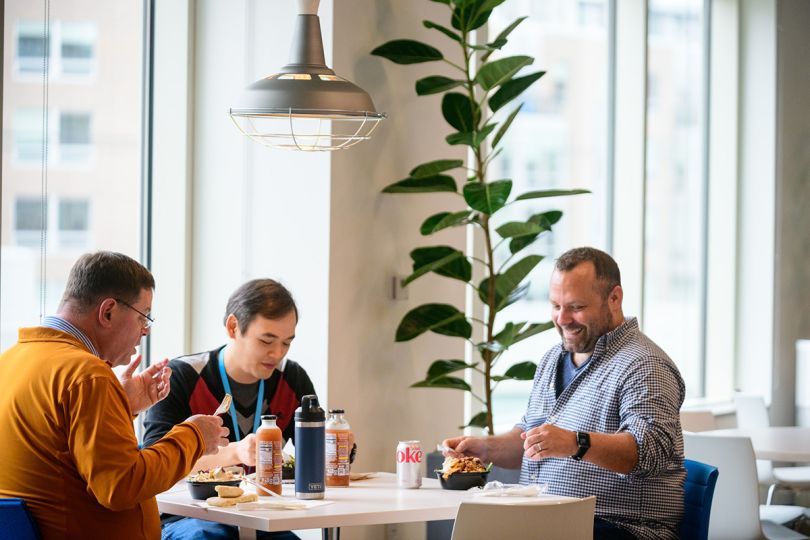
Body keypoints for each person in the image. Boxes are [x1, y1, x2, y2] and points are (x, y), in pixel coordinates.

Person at [442, 247, 686, 540]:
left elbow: (649, 454)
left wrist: (576, 442)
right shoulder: (552, 359)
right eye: (556, 306)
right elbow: (531, 439)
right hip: (546, 521)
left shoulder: (645, 365)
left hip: (621, 527)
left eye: (576, 307)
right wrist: (486, 448)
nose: (562, 319)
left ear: (615, 298)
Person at [0, 251, 229, 540]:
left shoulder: (10, 361)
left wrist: (120, 405)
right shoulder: (86, 375)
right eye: (143, 318)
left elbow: (58, 449)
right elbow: (120, 487)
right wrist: (195, 436)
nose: (144, 332)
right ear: (108, 311)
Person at [143, 279, 316, 540]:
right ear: (233, 327)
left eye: (286, 343)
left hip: (261, 514)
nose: (277, 353)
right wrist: (235, 452)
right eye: (267, 340)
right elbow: (155, 464)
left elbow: (314, 458)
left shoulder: (291, 378)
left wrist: (338, 447)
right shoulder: (182, 377)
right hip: (191, 515)